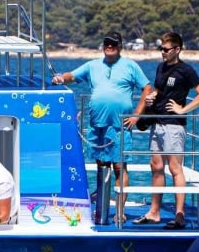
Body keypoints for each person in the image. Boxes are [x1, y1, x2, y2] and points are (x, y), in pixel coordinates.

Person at [52, 32, 149, 224]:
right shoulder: (92, 65)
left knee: (120, 167)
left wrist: (137, 114)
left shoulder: (130, 66)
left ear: (120, 46)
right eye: (107, 43)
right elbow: (72, 76)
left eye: (113, 44)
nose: (109, 46)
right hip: (97, 125)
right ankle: (101, 207)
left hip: (120, 126)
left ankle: (119, 210)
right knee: (101, 166)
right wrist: (60, 78)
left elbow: (147, 87)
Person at [126, 31, 199, 230]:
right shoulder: (161, 68)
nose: (162, 53)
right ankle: (154, 212)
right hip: (157, 122)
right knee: (155, 166)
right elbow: (160, 91)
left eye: (166, 49)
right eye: (161, 49)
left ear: (177, 50)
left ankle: (179, 215)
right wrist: (152, 98)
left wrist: (183, 109)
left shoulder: (186, 70)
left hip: (174, 124)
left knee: (175, 168)